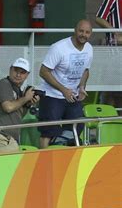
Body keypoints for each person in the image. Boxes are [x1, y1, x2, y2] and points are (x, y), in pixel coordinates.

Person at [38, 19, 93, 149]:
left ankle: (64, 160)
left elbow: (85, 70)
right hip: (52, 95)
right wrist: (63, 90)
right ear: (75, 30)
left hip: (72, 96)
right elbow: (43, 72)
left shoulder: (89, 49)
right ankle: (44, 162)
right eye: (81, 31)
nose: (83, 34)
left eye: (87, 32)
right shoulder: (59, 48)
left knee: (76, 127)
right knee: (48, 131)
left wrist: (81, 87)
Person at [0, 58, 40, 153]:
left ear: (27, 75)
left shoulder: (18, 90)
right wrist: (26, 98)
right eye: (16, 71)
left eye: (22, 72)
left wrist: (27, 104)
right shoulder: (3, 84)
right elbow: (8, 107)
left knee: (11, 167)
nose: (18, 75)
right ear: (10, 70)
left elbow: (17, 116)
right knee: (7, 166)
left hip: (10, 138)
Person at [95, 0, 122, 112]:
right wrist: (114, 31)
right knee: (111, 91)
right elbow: (99, 17)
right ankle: (105, 120)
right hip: (115, 53)